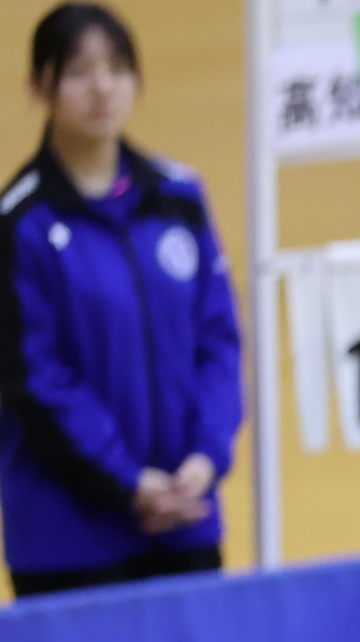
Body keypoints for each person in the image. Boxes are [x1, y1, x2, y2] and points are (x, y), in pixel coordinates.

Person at [0, 4, 241, 599]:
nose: (102, 88)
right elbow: (34, 380)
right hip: (70, 542)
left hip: (185, 520)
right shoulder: (21, 223)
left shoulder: (179, 197)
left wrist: (204, 461)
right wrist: (129, 481)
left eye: (117, 68)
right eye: (79, 71)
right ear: (40, 86)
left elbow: (218, 343)